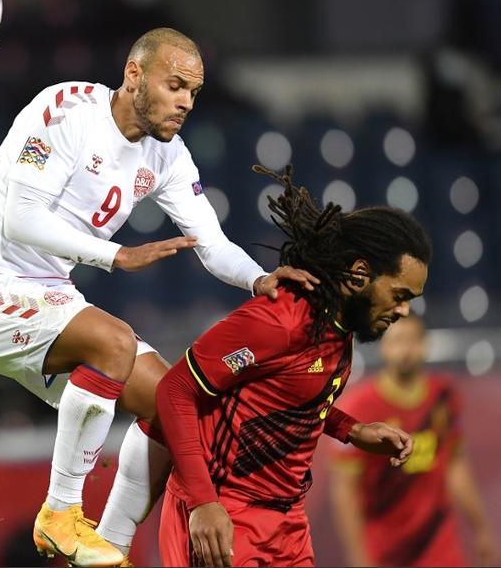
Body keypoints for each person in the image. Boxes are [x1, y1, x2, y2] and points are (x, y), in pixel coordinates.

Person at [0, 27, 318, 566]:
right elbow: (20, 220)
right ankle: (60, 512)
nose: (184, 102)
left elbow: (213, 244)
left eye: (194, 92)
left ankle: (107, 548)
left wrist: (258, 279)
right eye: (175, 85)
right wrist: (116, 256)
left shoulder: (168, 156)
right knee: (113, 341)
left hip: (46, 298)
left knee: (178, 406)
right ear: (134, 74)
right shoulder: (65, 110)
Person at [155, 165, 434, 567]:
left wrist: (349, 429)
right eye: (400, 294)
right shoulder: (280, 321)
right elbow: (176, 389)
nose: (405, 310)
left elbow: (286, 392)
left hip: (287, 524)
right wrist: (203, 503)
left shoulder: (339, 326)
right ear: (359, 275)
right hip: (224, 516)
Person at [329, 313, 499, 567]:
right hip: (386, 550)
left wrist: (481, 529)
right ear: (384, 347)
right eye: (397, 341)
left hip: (439, 545)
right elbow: (345, 491)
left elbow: (455, 465)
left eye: (412, 340)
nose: (405, 350)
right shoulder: (360, 407)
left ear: (425, 344)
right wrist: (359, 557)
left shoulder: (443, 397)